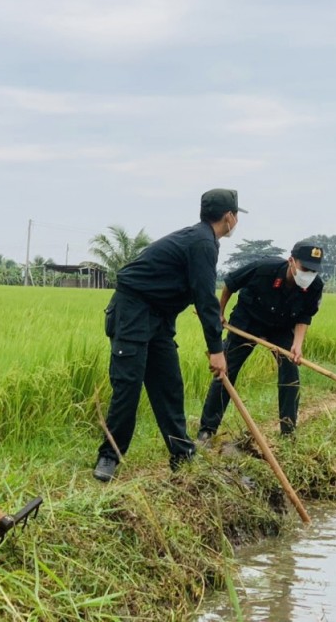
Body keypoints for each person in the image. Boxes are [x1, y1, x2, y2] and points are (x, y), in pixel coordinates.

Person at [93, 189, 242, 482]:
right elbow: (204, 297)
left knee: (169, 385)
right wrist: (216, 350)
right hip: (133, 312)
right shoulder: (202, 242)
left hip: (159, 318)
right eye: (236, 216)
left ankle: (181, 453)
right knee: (129, 386)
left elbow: (198, 293)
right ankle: (109, 456)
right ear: (229, 217)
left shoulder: (203, 241)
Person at [197, 242, 325, 443]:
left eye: (313, 271)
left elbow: (304, 316)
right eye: (305, 269)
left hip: (281, 327)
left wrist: (297, 344)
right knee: (226, 370)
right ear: (291, 261)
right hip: (248, 321)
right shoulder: (264, 269)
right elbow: (230, 284)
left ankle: (288, 432)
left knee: (290, 373)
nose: (308, 274)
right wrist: (219, 314)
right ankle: (207, 430)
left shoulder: (315, 286)